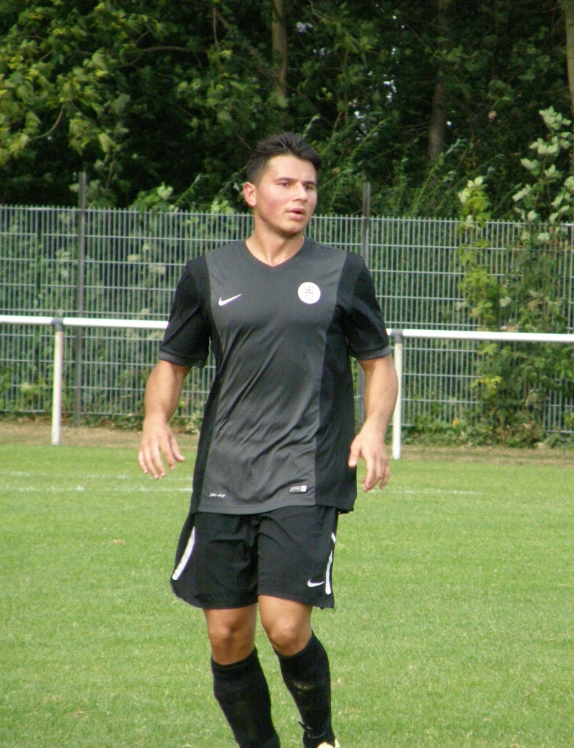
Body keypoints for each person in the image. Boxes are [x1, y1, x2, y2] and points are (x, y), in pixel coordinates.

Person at [137, 132, 398, 748]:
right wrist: (155, 419)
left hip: (307, 472)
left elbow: (378, 362)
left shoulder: (342, 272)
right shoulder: (208, 273)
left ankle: (320, 736)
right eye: (286, 183)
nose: (301, 195)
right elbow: (173, 361)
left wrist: (373, 427)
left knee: (284, 626)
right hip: (225, 474)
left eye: (310, 186)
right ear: (251, 194)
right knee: (227, 634)